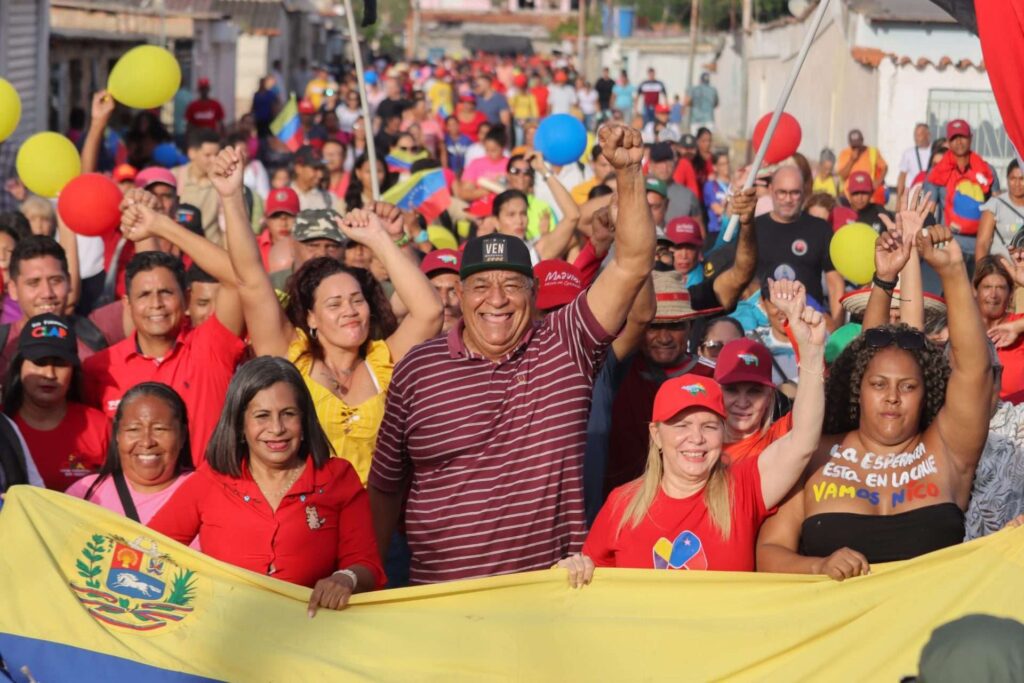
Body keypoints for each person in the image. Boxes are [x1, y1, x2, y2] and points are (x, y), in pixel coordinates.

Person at [368, 124, 660, 584]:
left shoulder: (568, 345)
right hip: (436, 606)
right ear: (460, 295)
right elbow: (385, 485)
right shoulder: (417, 369)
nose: (497, 299)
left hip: (542, 601)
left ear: (535, 291)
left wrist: (628, 172)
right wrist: (369, 575)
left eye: (512, 284)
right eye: (482, 285)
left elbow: (633, 262)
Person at [756, 219, 993, 578]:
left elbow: (974, 370)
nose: (893, 397)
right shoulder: (814, 455)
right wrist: (819, 566)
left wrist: (954, 272)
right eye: (879, 385)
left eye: (908, 387)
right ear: (858, 390)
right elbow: (769, 553)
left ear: (926, 392)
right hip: (841, 631)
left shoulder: (948, 449)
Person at [556, 278, 826, 583]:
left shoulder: (743, 487)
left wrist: (811, 350)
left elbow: (803, 441)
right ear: (656, 435)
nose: (695, 438)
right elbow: (590, 578)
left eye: (709, 426)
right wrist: (573, 571)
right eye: (681, 424)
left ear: (723, 433)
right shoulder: (621, 504)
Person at [218, 145, 442, 484]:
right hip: (309, 525)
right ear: (310, 318)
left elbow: (430, 311)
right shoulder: (290, 357)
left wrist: (379, 239)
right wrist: (231, 195)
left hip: (381, 528)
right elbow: (250, 280)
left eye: (357, 301)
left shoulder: (384, 359)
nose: (350, 312)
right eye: (334, 305)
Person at [148, 356, 386, 610]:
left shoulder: (337, 478)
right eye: (262, 416)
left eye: (288, 414)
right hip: (223, 635)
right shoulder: (212, 479)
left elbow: (366, 565)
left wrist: (345, 578)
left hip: (312, 635)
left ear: (304, 422)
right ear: (240, 425)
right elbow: (149, 548)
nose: (276, 428)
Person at [82, 230, 246, 463]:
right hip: (130, 498)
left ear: (187, 298)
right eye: (144, 295)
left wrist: (161, 225)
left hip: (208, 494)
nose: (156, 304)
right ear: (127, 303)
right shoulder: (99, 368)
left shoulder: (211, 347)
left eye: (166, 293)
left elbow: (238, 276)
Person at [3, 316, 109, 492]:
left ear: (73, 370)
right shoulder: (3, 425)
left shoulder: (99, 427)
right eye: (40, 362)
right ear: (19, 365)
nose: (49, 374)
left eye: (60, 364)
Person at [0, 236, 126, 381]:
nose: (47, 293)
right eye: (33, 283)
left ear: (69, 282)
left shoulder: (97, 329)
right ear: (13, 289)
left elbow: (149, 294)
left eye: (56, 281)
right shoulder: (4, 343)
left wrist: (154, 227)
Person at [67, 382, 193, 524]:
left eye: (160, 429)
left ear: (182, 435)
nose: (146, 442)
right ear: (117, 434)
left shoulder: (204, 492)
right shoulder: (85, 493)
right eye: (133, 430)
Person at [754, 166, 844, 325]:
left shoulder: (820, 229)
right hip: (764, 322)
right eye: (782, 192)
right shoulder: (754, 228)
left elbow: (834, 281)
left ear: (804, 193)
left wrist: (837, 327)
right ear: (770, 190)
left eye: (795, 192)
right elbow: (745, 279)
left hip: (809, 321)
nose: (788, 199)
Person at [716, 337, 794, 462]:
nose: (742, 403)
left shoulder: (781, 435)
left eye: (754, 392)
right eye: (732, 390)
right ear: (716, 391)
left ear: (769, 396)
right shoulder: (697, 445)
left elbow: (810, 411)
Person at [927, 120, 994, 263]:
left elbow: (996, 206)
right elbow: (929, 211)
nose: (959, 141)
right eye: (954, 138)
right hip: (949, 245)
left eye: (962, 136)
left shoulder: (987, 171)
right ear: (948, 142)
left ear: (971, 137)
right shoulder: (937, 173)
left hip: (980, 246)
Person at [173, 128, 223, 246]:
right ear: (192, 153)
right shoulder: (174, 178)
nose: (214, 160)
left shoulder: (223, 183)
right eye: (208, 155)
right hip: (180, 249)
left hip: (213, 252)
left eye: (217, 155)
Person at [976, 159, 1024, 264]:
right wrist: (980, 272)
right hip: (1001, 271)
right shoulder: (995, 204)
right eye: (1013, 178)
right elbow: (982, 243)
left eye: (1022, 179)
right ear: (1007, 179)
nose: (1017, 183)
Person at [649, 142, 703, 228]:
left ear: (674, 163)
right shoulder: (639, 192)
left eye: (668, 161)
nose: (665, 167)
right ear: (651, 165)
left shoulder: (688, 196)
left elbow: (699, 233)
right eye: (659, 162)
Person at [837, 129, 887, 205]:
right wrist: (851, 160)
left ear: (862, 141)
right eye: (854, 146)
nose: (856, 148)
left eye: (858, 145)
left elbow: (884, 167)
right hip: (850, 197)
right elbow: (842, 176)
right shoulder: (845, 153)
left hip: (868, 197)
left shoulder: (872, 151)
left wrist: (878, 181)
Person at [290, 146, 334, 211]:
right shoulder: (283, 197)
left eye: (321, 168)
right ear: (298, 168)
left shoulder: (330, 199)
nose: (320, 175)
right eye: (315, 169)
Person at [897, 123, 932, 200]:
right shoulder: (908, 153)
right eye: (915, 135)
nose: (916, 138)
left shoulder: (935, 151)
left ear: (928, 135)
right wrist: (899, 197)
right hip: (912, 194)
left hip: (930, 194)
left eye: (919, 135)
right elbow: (902, 176)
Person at [703, 153, 731, 245]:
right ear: (715, 167)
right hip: (716, 232)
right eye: (722, 164)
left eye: (727, 163)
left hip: (732, 231)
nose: (726, 167)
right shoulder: (711, 185)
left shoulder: (734, 185)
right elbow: (717, 210)